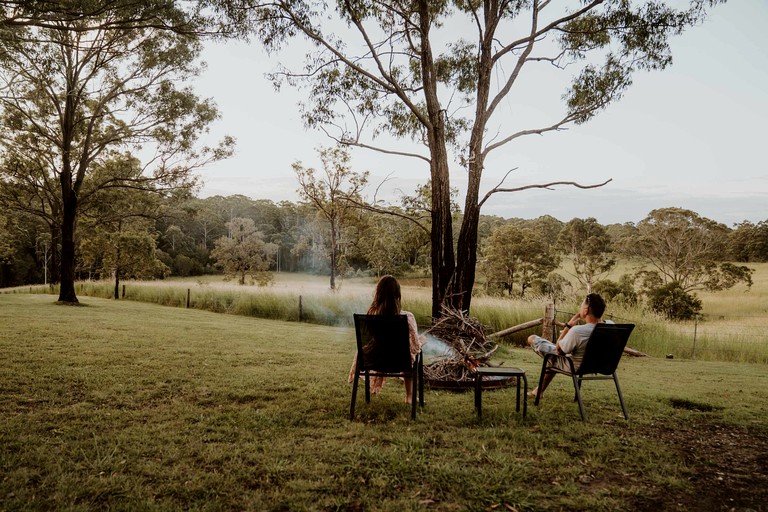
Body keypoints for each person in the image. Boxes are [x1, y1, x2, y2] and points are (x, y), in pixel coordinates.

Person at [348, 275, 425, 404]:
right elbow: (414, 346)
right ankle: (409, 396)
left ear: (378, 293)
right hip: (400, 361)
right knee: (412, 352)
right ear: (397, 295)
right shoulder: (407, 317)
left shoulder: (371, 317)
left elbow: (372, 341)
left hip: (374, 360)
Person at [526, 293, 610, 399]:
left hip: (575, 365)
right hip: (602, 364)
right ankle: (538, 390)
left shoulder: (578, 331)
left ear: (586, 310)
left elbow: (559, 351)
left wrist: (568, 327)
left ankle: (538, 391)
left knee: (536, 342)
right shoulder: (611, 325)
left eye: (582, 305)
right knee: (553, 355)